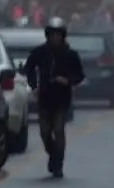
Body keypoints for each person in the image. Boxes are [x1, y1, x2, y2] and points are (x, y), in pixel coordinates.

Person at [23, 17, 85, 178]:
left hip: (62, 98)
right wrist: (34, 86)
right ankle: (53, 154)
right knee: (44, 131)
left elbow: (80, 75)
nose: (55, 38)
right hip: (44, 97)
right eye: (52, 35)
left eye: (58, 35)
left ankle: (58, 163)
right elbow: (28, 68)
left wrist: (68, 80)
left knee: (58, 129)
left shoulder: (70, 54)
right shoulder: (39, 52)